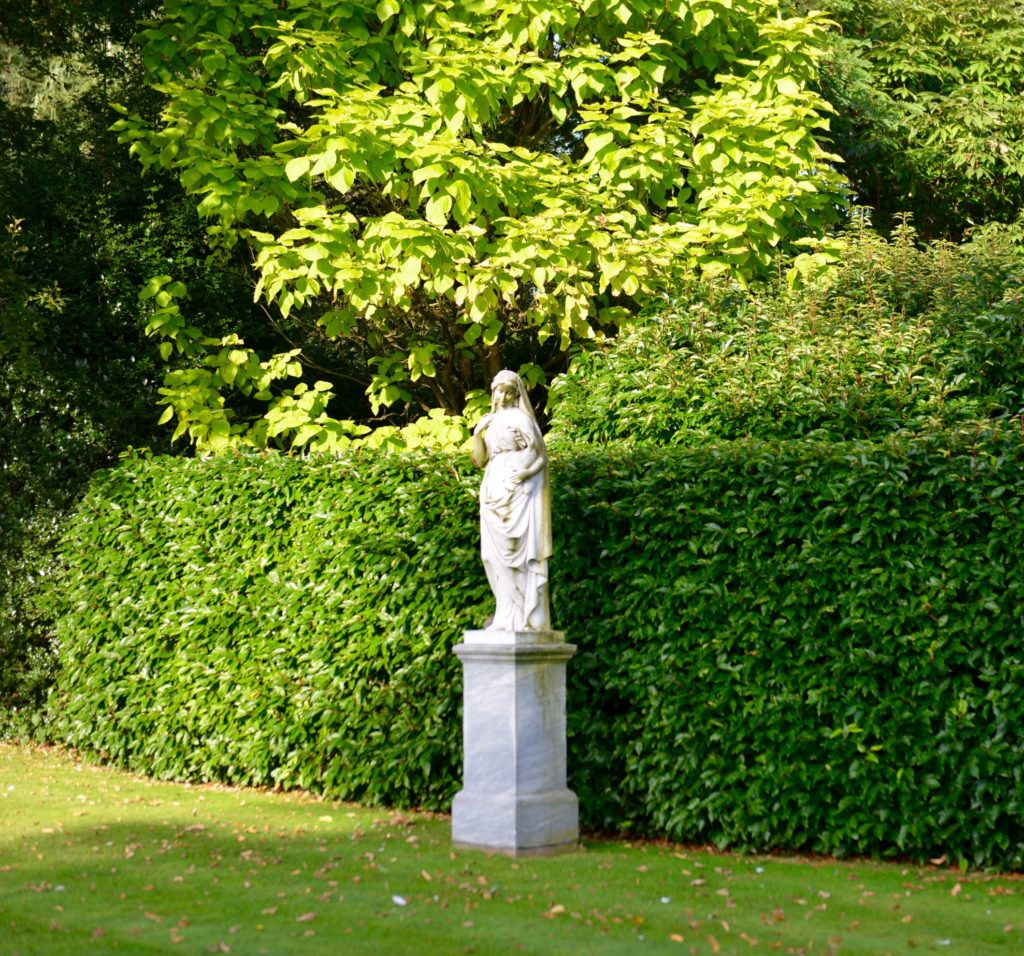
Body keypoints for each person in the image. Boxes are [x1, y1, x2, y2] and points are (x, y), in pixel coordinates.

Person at [471, 370, 552, 631]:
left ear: (516, 394)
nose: (502, 396)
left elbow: (541, 457)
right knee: (490, 557)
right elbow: (480, 460)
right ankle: (505, 614)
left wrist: (526, 473)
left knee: (515, 556)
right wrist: (476, 434)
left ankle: (522, 617)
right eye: (498, 391)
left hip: (516, 493)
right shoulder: (490, 421)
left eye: (507, 391)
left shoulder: (520, 419)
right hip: (493, 488)